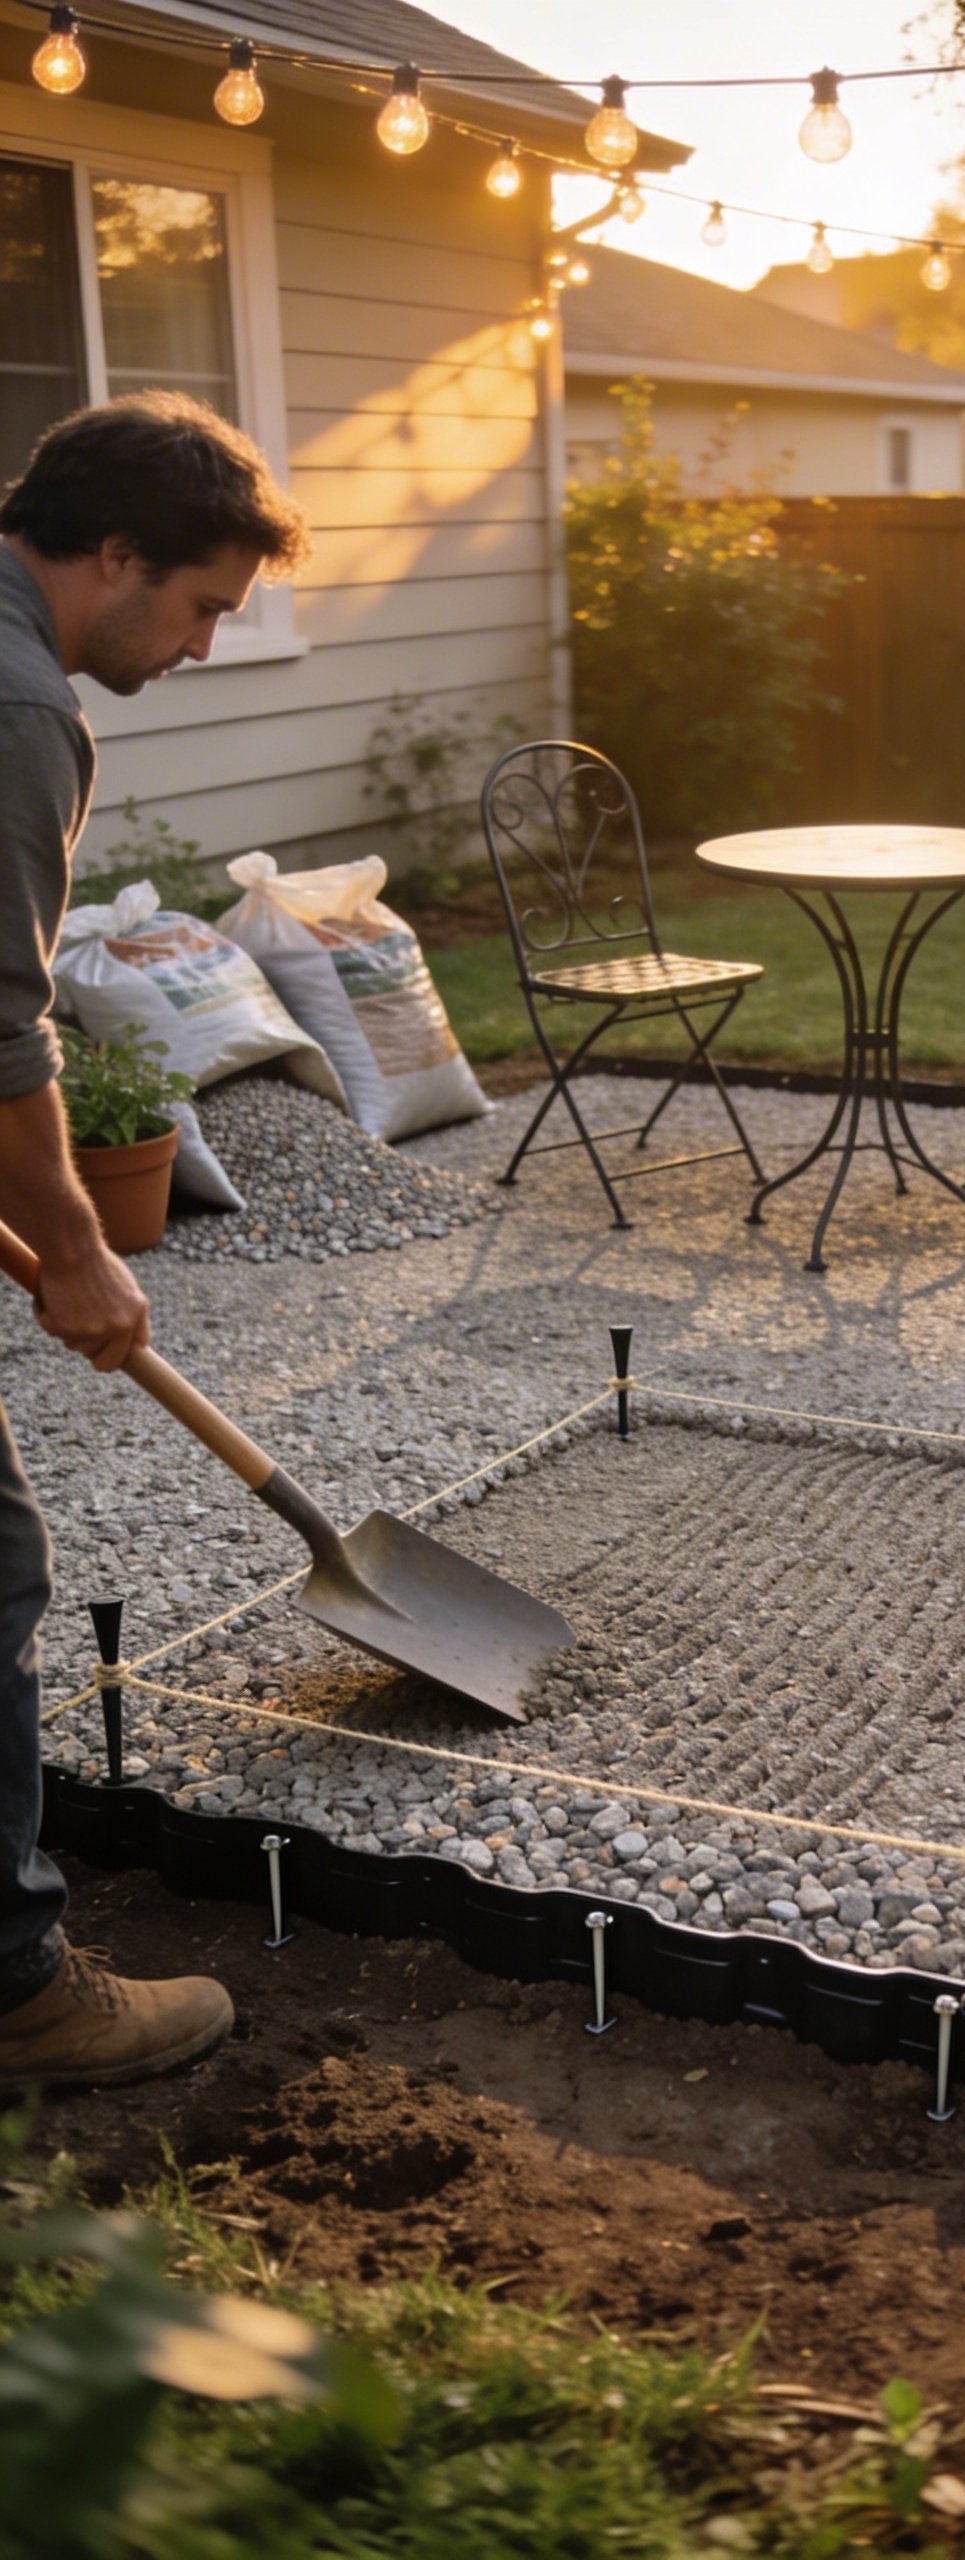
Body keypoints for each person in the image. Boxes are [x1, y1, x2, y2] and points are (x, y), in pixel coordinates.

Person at [0, 393, 309, 2089]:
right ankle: (13, 1993)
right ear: (112, 556)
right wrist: (74, 1244)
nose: (198, 647)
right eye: (197, 607)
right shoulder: (19, 704)